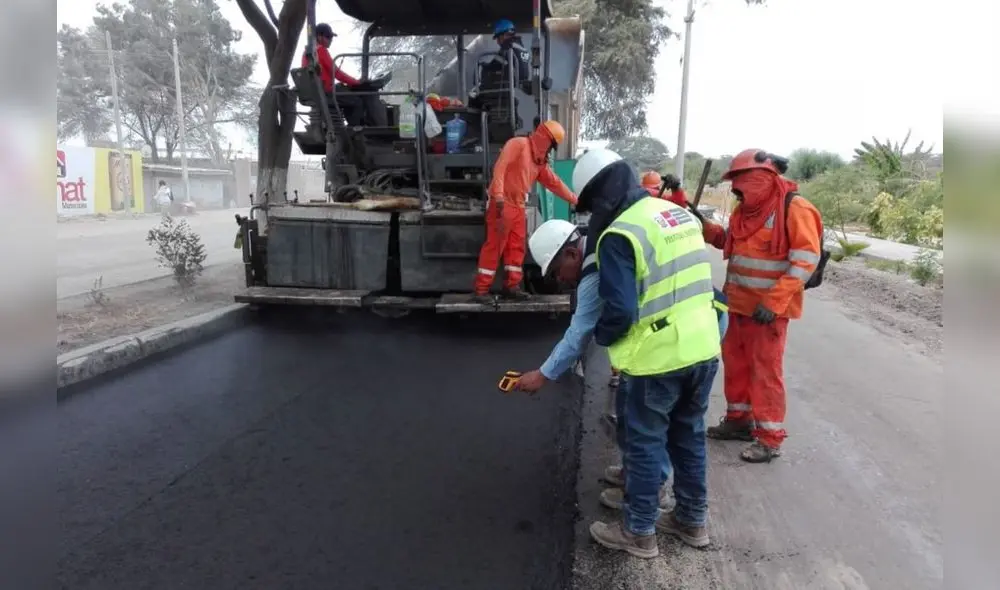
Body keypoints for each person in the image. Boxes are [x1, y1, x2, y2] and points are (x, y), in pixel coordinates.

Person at [547, 149, 720, 558]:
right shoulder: (676, 215)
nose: (593, 216)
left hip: (660, 357)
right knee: (688, 438)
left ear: (603, 194)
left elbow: (621, 310)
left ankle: (639, 530)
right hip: (705, 347)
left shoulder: (620, 235)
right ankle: (691, 521)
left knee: (644, 444)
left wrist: (606, 338)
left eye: (592, 205)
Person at [700, 149, 823, 463]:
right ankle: (739, 422)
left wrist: (775, 300)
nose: (736, 189)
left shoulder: (795, 209)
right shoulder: (745, 211)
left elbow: (806, 260)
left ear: (762, 178)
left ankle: (769, 439)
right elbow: (728, 241)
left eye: (741, 181)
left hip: (768, 312)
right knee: (737, 367)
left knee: (766, 373)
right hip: (737, 305)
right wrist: (703, 225)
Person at [472, 121, 577, 302]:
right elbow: (501, 167)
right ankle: (481, 291)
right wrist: (497, 195)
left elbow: (555, 183)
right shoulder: (518, 144)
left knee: (516, 248)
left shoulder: (539, 163)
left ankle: (511, 287)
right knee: (495, 246)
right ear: (546, 138)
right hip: (502, 204)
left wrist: (576, 200)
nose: (550, 151)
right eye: (551, 146)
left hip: (518, 207)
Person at [303, 23, 388, 127]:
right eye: (328, 37)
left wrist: (352, 83)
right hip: (326, 91)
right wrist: (357, 82)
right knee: (357, 102)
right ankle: (356, 131)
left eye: (331, 37)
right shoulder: (320, 50)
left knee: (347, 95)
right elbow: (337, 73)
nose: (331, 40)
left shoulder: (307, 52)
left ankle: (351, 127)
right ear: (319, 37)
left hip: (318, 90)